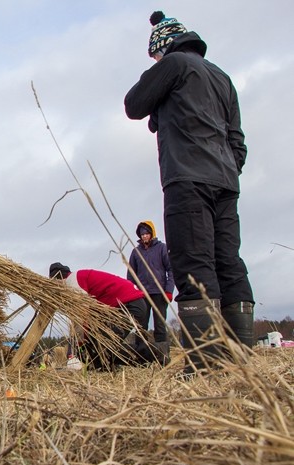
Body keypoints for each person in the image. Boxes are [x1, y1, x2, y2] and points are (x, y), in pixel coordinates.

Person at [124, 12, 255, 374]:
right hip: (226, 183)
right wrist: (226, 169)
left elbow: (134, 104)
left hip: (187, 179)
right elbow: (237, 141)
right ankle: (240, 361)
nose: (154, 64)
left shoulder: (175, 63)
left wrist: (156, 75)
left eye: (154, 58)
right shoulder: (221, 76)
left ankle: (206, 364)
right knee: (228, 261)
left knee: (194, 263)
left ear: (163, 48)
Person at [49, 262, 166, 369]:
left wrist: (79, 342)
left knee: (106, 347)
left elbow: (81, 315)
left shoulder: (72, 282)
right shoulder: (80, 278)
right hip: (127, 305)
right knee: (96, 347)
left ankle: (157, 352)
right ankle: (108, 366)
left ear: (58, 280)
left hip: (129, 305)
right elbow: (91, 316)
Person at [126, 220, 174, 343]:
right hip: (142, 295)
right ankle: (141, 357)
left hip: (160, 293)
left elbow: (171, 270)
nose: (144, 236)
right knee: (140, 326)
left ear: (152, 233)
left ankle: (163, 357)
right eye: (142, 234)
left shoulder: (162, 248)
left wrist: (169, 290)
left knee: (160, 326)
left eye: (147, 233)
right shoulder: (136, 252)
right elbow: (131, 275)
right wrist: (132, 294)